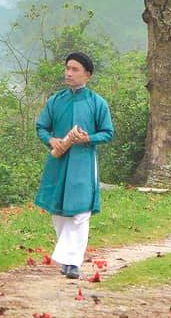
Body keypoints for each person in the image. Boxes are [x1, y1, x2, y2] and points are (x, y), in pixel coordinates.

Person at [34, 50, 114, 277]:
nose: (68, 73)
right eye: (67, 68)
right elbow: (41, 127)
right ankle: (67, 260)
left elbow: (107, 133)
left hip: (83, 163)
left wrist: (88, 138)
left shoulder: (97, 103)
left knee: (80, 212)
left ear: (87, 74)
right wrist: (51, 139)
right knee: (58, 212)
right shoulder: (56, 100)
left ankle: (72, 263)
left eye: (74, 69)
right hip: (58, 161)